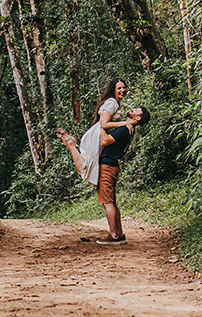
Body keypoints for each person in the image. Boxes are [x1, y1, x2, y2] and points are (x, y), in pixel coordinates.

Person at [58, 105, 150, 245]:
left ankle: (113, 236)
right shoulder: (127, 128)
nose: (134, 108)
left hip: (107, 166)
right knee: (111, 201)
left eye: (137, 110)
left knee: (107, 202)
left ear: (137, 118)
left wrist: (103, 126)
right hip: (112, 165)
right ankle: (118, 234)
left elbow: (105, 141)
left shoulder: (125, 129)